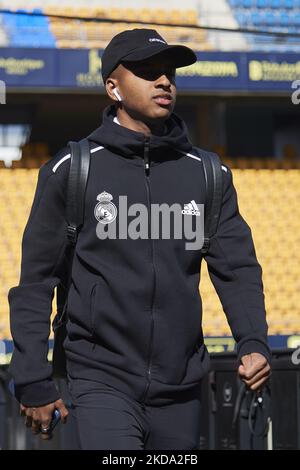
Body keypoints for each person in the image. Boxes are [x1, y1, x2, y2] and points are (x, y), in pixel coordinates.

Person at [8, 28, 271, 450]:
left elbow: (237, 268)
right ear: (113, 86)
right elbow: (36, 283)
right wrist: (33, 377)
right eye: (148, 71)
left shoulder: (208, 174)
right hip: (100, 379)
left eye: (169, 72)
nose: (164, 81)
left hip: (183, 386)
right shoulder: (72, 169)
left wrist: (254, 341)